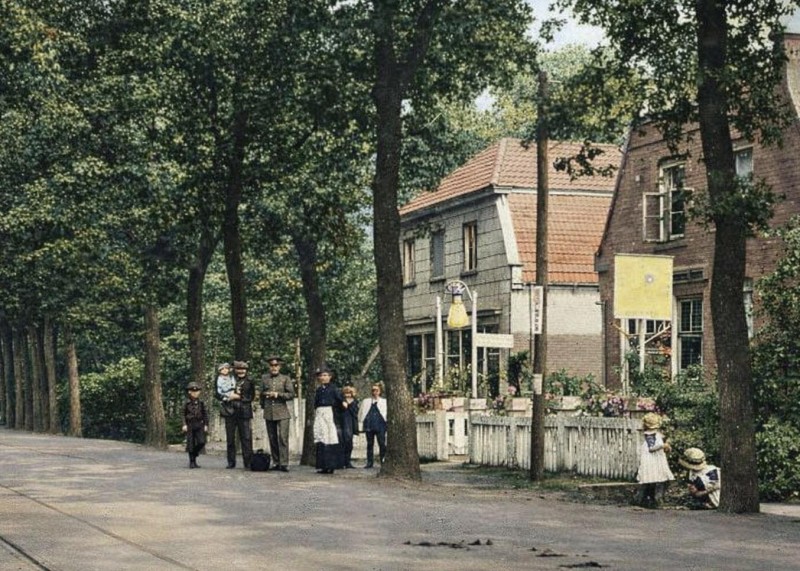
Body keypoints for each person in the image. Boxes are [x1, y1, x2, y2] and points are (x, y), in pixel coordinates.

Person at [216, 360, 255, 469]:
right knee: (230, 438)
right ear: (235, 370)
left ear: (246, 370)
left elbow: (251, 396)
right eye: (238, 369)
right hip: (230, 411)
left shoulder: (250, 380)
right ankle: (231, 462)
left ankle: (248, 462)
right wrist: (226, 398)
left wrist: (239, 397)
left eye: (243, 369)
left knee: (246, 438)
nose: (241, 371)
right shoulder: (228, 378)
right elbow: (218, 393)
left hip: (244, 412)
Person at [259, 355, 294, 472]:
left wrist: (278, 394)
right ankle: (276, 462)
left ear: (280, 366)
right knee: (272, 438)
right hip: (269, 411)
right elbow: (261, 394)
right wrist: (263, 403)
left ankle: (284, 463)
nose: (274, 367)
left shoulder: (285, 378)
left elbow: (291, 395)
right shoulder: (264, 378)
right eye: (271, 365)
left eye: (276, 365)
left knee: (283, 438)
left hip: (283, 412)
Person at [636, 412, 674, 508]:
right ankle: (653, 499)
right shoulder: (650, 435)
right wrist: (662, 445)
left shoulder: (656, 434)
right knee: (654, 476)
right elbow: (651, 448)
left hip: (657, 457)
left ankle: (650, 499)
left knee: (657, 477)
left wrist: (666, 446)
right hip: (652, 459)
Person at [312, 364, 344, 474]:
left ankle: (332, 465)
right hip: (320, 413)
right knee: (321, 437)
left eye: (325, 375)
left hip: (330, 414)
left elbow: (340, 402)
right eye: (321, 376)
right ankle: (323, 466)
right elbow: (316, 403)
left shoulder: (334, 389)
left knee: (330, 438)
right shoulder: (319, 390)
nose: (323, 377)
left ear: (330, 377)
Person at [358, 383, 387, 469]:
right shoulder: (366, 401)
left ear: (380, 391)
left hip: (380, 425)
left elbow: (386, 414)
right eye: (373, 390)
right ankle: (369, 462)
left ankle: (383, 461)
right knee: (369, 444)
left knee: (382, 443)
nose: (374, 392)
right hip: (369, 425)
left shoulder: (384, 402)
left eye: (376, 390)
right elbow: (361, 413)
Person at [182, 381, 208, 469]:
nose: (195, 393)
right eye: (193, 391)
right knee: (191, 443)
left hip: (199, 423)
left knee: (202, 442)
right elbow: (182, 414)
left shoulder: (201, 403)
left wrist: (206, 424)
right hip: (190, 424)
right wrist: (184, 424)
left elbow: (205, 414)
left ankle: (195, 453)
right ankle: (192, 462)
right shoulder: (186, 403)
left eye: (197, 391)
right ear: (189, 392)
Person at [339, 386, 360, 469]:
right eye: (346, 393)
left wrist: (349, 405)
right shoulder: (341, 401)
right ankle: (342, 462)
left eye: (349, 393)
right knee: (342, 443)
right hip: (343, 422)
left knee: (349, 443)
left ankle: (347, 462)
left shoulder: (355, 401)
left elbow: (356, 411)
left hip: (351, 422)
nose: (347, 395)